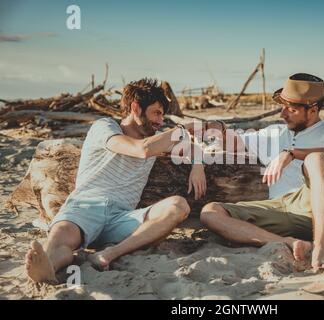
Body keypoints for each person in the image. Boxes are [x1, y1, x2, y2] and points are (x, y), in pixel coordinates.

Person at [25, 78, 207, 283]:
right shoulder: (105, 127)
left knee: (178, 206)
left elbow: (191, 147)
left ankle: (109, 254)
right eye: (156, 112)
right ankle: (48, 266)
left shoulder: (154, 137)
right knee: (60, 238)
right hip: (85, 207)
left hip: (122, 217)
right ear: (136, 108)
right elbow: (141, 149)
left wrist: (198, 165)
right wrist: (182, 129)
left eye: (162, 115)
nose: (160, 121)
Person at [200, 73, 324, 272]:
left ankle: (321, 249)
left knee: (316, 159)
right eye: (283, 107)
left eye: (292, 109)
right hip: (279, 209)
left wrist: (291, 154)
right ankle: (288, 242)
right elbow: (230, 142)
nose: (283, 114)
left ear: (313, 110)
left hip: (317, 211)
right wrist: (216, 128)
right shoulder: (274, 133)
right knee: (210, 212)